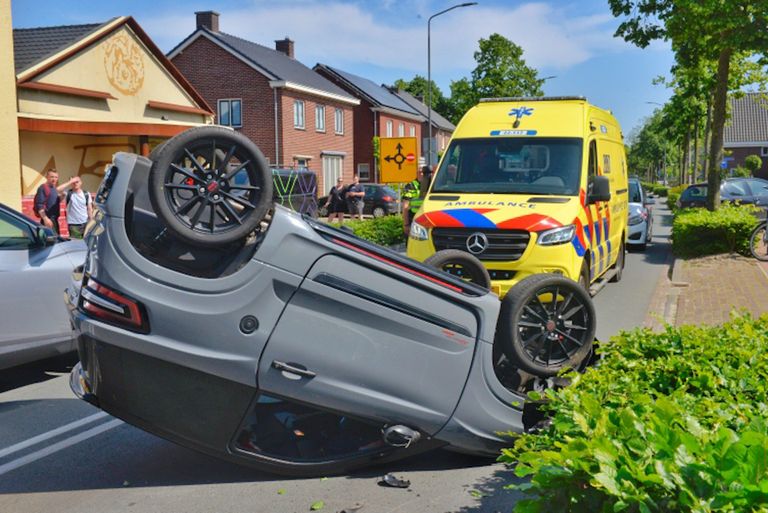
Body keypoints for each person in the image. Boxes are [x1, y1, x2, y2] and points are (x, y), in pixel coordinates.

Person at [34, 169, 74, 235]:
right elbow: (40, 205)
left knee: (55, 241)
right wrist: (45, 219)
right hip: (48, 220)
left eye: (56, 177)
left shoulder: (53, 188)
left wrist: (62, 197)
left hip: (54, 220)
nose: (54, 179)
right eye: (52, 177)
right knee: (51, 242)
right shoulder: (42, 188)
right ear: (47, 177)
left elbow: (55, 201)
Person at [402, 165, 432, 236]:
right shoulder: (411, 186)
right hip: (414, 220)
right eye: (420, 172)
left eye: (424, 173)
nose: (422, 174)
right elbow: (405, 207)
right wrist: (406, 225)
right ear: (417, 173)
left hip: (428, 221)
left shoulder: (431, 185)